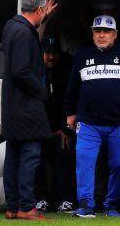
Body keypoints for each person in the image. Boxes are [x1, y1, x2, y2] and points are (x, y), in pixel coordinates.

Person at [66, 14, 120, 218]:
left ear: (115, 34)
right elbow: (71, 89)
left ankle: (113, 204)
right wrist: (70, 112)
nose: (102, 35)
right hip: (88, 123)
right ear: (92, 33)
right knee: (84, 163)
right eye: (97, 31)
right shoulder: (82, 55)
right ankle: (86, 205)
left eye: (106, 31)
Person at [2, 0, 57, 220]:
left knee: (13, 155)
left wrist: (45, 17)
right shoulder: (25, 33)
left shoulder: (12, 26)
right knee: (30, 155)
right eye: (44, 11)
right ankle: (26, 207)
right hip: (27, 105)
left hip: (12, 105)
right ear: (39, 9)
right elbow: (21, 71)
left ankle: (13, 207)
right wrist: (42, 92)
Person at [35, 33, 76, 214]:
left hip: (61, 128)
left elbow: (70, 99)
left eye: (54, 52)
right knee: (37, 162)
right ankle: (41, 199)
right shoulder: (34, 69)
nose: (50, 56)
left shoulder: (67, 67)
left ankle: (66, 199)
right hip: (39, 127)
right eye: (47, 52)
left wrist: (65, 129)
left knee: (63, 158)